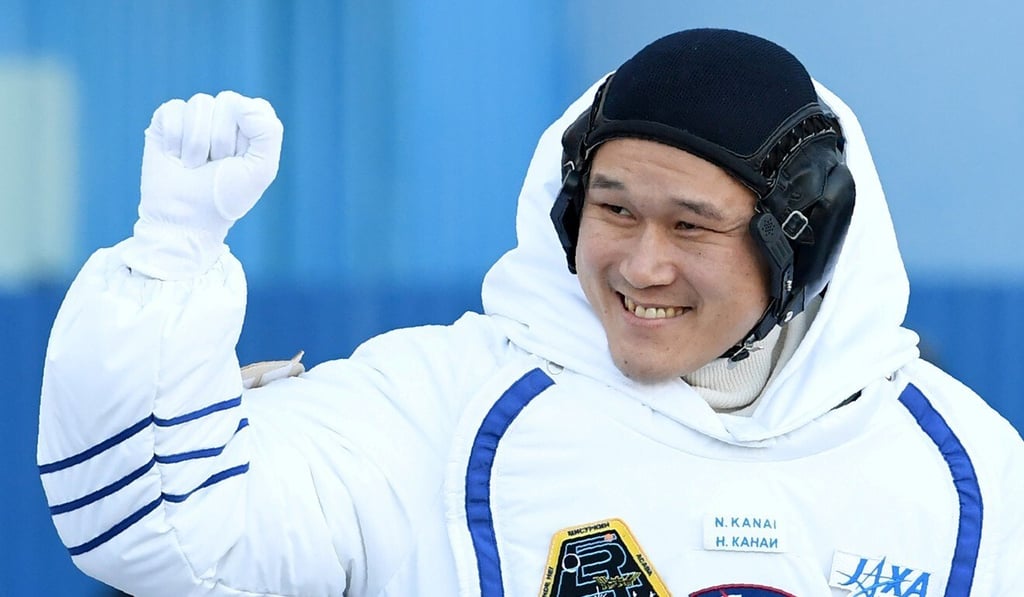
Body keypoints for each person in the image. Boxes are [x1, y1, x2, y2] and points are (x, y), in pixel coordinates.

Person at [37, 28, 1023, 597]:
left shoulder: (961, 470)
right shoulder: (434, 408)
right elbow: (154, 532)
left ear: (800, 245)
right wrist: (166, 264)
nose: (641, 263)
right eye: (613, 209)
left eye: (693, 227)